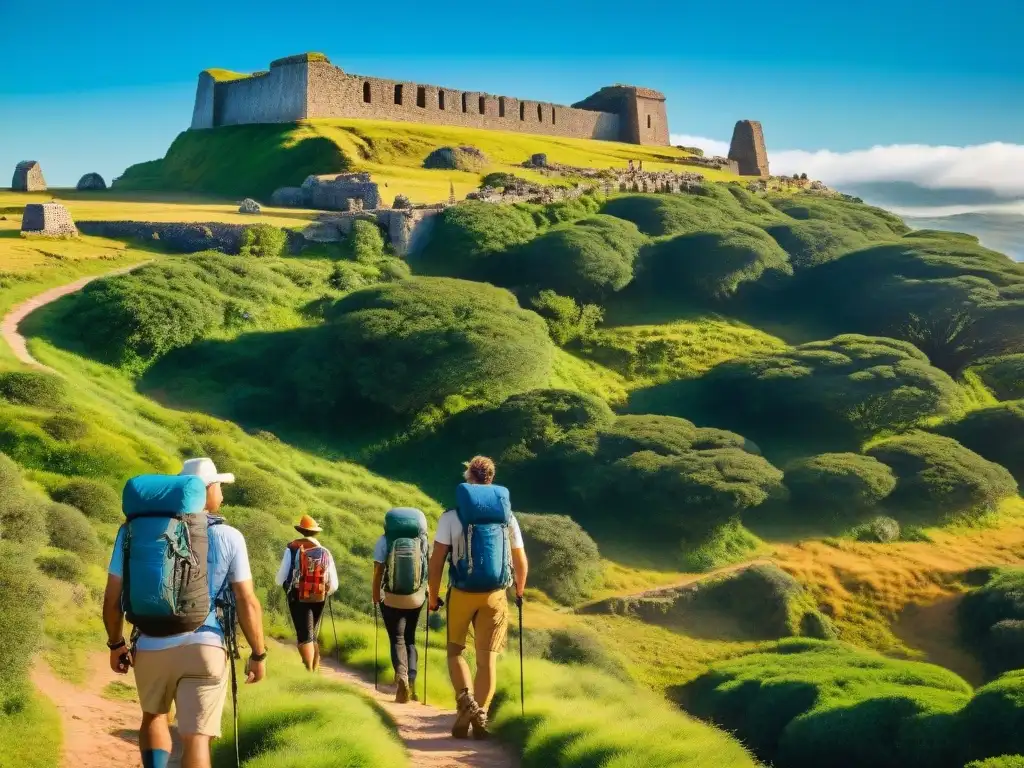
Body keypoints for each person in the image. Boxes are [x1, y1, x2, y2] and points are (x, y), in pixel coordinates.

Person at [103, 458, 267, 768]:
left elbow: (112, 599)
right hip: (206, 647)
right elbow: (247, 601)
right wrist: (258, 653)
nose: (222, 493)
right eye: (218, 485)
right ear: (206, 491)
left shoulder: (133, 533)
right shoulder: (231, 536)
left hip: (152, 642)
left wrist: (116, 644)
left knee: (154, 716)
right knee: (196, 737)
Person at [427, 456, 528, 740]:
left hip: (461, 593)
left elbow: (436, 563)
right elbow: (521, 561)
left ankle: (466, 703)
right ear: (491, 479)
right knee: (487, 661)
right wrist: (519, 591)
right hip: (495, 595)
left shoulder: (451, 516)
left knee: (456, 651)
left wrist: (433, 597)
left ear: (468, 477)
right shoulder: (507, 517)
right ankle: (480, 712)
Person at [372, 507, 429, 703]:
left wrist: (375, 596)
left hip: (391, 597)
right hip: (416, 598)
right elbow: (426, 569)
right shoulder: (421, 541)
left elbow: (378, 570)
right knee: (410, 639)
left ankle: (402, 677)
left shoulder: (384, 540)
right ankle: (411, 683)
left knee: (397, 638)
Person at [275, 514, 338, 671]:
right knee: (312, 633)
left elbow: (280, 577)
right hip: (319, 596)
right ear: (315, 532)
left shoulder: (292, 548)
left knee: (305, 636)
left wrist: (287, 586)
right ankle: (314, 669)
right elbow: (334, 584)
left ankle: (308, 671)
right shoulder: (325, 551)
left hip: (298, 596)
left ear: (301, 530)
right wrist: (321, 591)